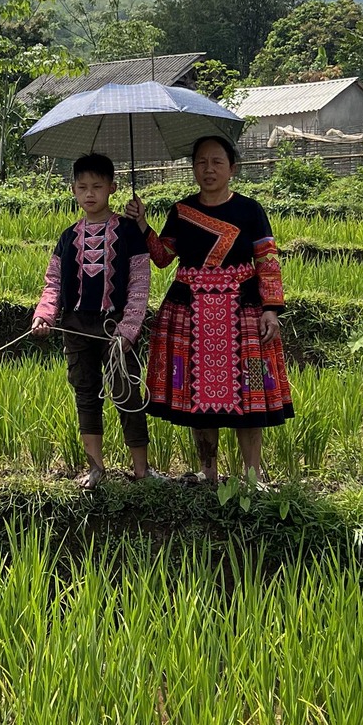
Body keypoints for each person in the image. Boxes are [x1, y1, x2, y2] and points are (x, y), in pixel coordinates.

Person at [124, 134, 291, 486]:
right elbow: (163, 257)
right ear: (193, 168)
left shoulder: (250, 210)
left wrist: (271, 309)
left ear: (233, 168)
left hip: (244, 314)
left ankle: (252, 475)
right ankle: (209, 474)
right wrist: (141, 224)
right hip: (190, 315)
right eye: (201, 162)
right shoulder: (181, 211)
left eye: (217, 162)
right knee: (196, 400)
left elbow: (267, 260)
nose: (208, 169)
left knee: (252, 398)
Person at [31, 152, 154, 488]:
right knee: (86, 393)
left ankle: (141, 470)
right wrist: (44, 315)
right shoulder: (68, 237)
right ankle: (96, 468)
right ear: (73, 190)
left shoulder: (129, 232)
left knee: (126, 393)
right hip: (75, 326)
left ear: (112, 188)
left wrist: (129, 328)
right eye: (82, 187)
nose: (89, 193)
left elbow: (140, 283)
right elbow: (53, 283)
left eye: (97, 186)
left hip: (116, 329)